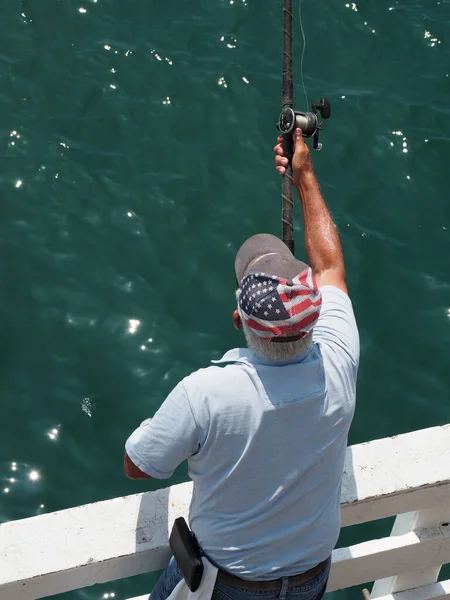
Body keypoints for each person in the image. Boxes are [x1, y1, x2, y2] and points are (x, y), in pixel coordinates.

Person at [124, 128, 359, 600]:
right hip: (311, 578)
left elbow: (138, 465)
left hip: (228, 587)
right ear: (314, 315)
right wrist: (305, 175)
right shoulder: (340, 357)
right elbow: (331, 265)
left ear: (238, 319)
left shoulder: (205, 394)